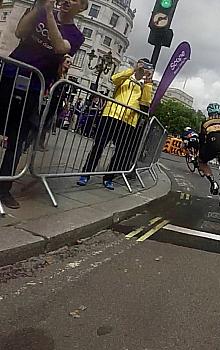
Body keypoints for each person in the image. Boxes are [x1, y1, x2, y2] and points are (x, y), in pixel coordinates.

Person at [0, 0, 86, 209]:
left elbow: (59, 47)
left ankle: (3, 189)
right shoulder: (39, 12)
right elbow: (20, 32)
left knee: (17, 138)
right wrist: (40, 6)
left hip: (34, 87)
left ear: (82, 7)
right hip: (10, 74)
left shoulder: (76, 35)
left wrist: (48, 14)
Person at [77, 58, 153, 189]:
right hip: (111, 115)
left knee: (120, 152)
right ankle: (86, 174)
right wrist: (133, 70)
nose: (142, 69)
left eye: (144, 67)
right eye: (141, 65)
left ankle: (109, 177)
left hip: (128, 121)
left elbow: (145, 103)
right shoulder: (126, 76)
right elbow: (114, 79)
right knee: (99, 146)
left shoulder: (144, 85)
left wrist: (148, 82)